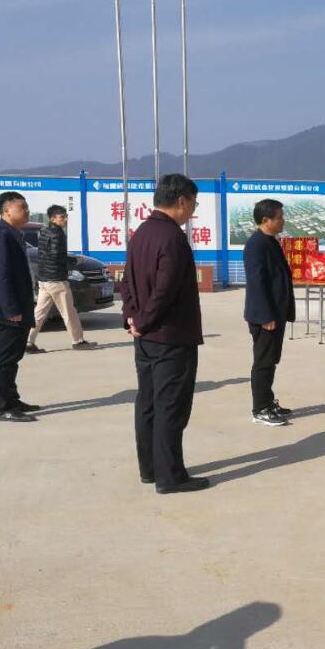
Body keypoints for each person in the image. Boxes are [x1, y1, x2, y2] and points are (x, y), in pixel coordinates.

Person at [121, 174, 210, 494]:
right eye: (194, 203)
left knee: (147, 403)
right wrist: (143, 320)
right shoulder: (173, 238)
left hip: (145, 337)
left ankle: (150, 469)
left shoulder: (141, 233)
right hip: (170, 336)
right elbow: (165, 290)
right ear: (182, 201)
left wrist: (132, 318)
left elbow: (126, 282)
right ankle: (170, 476)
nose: (193, 210)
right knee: (170, 406)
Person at [0, 191, 38, 423]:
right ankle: (3, 408)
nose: (27, 211)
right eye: (22, 207)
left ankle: (13, 400)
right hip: (8, 311)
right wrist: (11, 309)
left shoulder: (13, 233)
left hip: (17, 306)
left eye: (27, 206)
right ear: (6, 211)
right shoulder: (1, 235)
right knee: (4, 360)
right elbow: (0, 276)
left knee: (13, 358)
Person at [243, 198, 296, 428]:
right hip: (265, 317)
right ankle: (260, 409)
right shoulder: (256, 245)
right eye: (279, 217)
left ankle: (268, 401)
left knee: (271, 360)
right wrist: (265, 316)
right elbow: (257, 284)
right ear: (266, 220)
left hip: (276, 313)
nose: (283, 221)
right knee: (263, 362)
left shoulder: (270, 241)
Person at [25, 205, 98, 354]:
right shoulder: (57, 234)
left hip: (44, 279)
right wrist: (74, 261)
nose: (65, 219)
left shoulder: (44, 231)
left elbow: (47, 255)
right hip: (56, 280)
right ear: (53, 218)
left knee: (39, 313)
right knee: (69, 312)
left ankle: (28, 341)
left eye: (65, 216)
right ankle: (78, 341)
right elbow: (56, 256)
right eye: (62, 217)